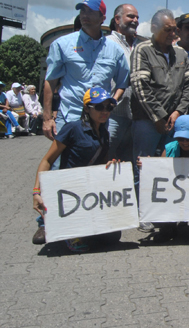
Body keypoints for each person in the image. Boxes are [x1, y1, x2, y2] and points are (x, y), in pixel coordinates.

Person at [31, 87, 121, 251]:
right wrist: (36, 191)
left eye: (109, 107)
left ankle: (84, 227)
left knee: (112, 238)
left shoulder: (104, 133)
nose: (105, 111)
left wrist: (110, 165)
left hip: (90, 192)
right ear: (86, 108)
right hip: (69, 191)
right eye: (99, 107)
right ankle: (51, 225)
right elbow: (47, 160)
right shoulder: (72, 129)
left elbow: (101, 164)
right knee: (80, 244)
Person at [130, 9, 189, 233]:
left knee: (170, 165)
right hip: (146, 122)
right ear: (154, 29)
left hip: (173, 121)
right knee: (144, 165)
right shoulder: (142, 50)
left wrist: (178, 112)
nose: (173, 34)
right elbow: (140, 87)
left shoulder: (181, 54)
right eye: (168, 30)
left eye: (175, 30)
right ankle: (144, 214)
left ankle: (168, 210)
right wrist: (158, 116)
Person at [43, 0, 129, 141]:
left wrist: (109, 105)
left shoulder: (115, 50)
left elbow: (122, 83)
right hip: (69, 118)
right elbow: (50, 82)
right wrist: (47, 118)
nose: (84, 15)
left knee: (95, 163)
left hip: (100, 123)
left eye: (90, 11)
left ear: (102, 17)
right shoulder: (62, 45)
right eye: (82, 11)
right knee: (59, 163)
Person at [107, 4, 141, 161]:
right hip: (112, 115)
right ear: (117, 19)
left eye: (137, 17)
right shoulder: (106, 43)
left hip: (136, 118)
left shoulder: (141, 46)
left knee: (129, 164)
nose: (135, 20)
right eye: (130, 16)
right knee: (104, 158)